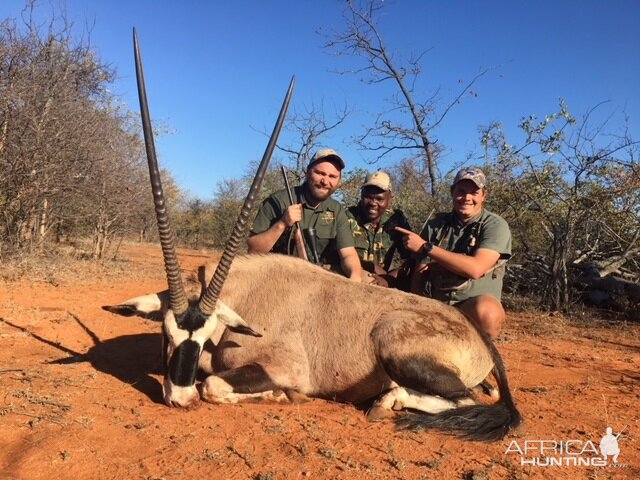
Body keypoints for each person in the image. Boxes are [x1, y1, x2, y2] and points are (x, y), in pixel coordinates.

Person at [395, 167, 511, 339]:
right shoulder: (437, 224)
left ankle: (477, 352)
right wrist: (417, 307)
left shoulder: (495, 225)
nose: (467, 198)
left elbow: (476, 268)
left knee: (489, 313)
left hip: (470, 309)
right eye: (461, 192)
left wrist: (427, 247)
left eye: (474, 193)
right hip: (436, 307)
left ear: (484, 195)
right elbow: (420, 271)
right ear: (452, 192)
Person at [247, 148, 362, 281]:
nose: (325, 181)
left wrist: (355, 277)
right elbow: (253, 252)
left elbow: (348, 254)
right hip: (278, 277)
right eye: (320, 173)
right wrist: (282, 224)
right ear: (307, 172)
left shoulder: (336, 209)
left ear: (339, 180)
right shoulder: (278, 201)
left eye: (332, 176)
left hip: (318, 276)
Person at [346, 170, 413, 288]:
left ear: (389, 198)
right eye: (368, 197)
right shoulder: (347, 216)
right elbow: (336, 254)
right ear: (361, 195)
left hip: (383, 283)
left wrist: (390, 278)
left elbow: (413, 259)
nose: (373, 203)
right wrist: (368, 266)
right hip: (353, 279)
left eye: (379, 199)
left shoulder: (396, 219)